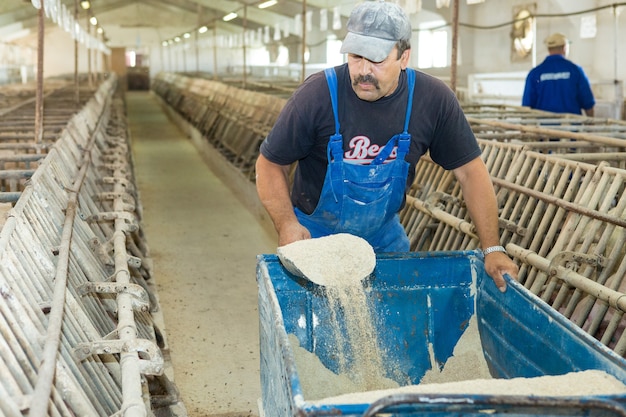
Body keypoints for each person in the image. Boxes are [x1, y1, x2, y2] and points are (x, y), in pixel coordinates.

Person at [255, 0, 518, 291]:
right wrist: (287, 224)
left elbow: (470, 171)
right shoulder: (317, 95)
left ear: (404, 57)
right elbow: (270, 163)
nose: (363, 70)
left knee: (394, 321)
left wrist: (492, 248)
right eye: (356, 56)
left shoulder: (432, 100)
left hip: (382, 236)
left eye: (377, 59)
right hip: (316, 235)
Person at [522, 32, 595, 116]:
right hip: (571, 126)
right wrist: (591, 125)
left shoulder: (535, 73)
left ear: (549, 49)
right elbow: (588, 102)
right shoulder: (575, 71)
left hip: (543, 126)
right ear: (564, 48)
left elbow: (526, 106)